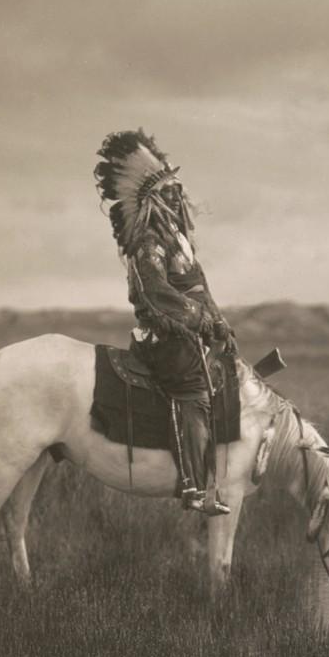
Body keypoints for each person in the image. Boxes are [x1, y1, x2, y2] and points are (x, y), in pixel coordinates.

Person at [94, 129, 237, 515]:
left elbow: (199, 288)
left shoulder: (179, 240)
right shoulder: (148, 243)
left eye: (178, 189)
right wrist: (200, 320)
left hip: (192, 332)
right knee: (193, 388)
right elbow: (155, 295)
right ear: (155, 199)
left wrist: (219, 323)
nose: (178, 196)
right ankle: (194, 487)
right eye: (170, 191)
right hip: (166, 337)